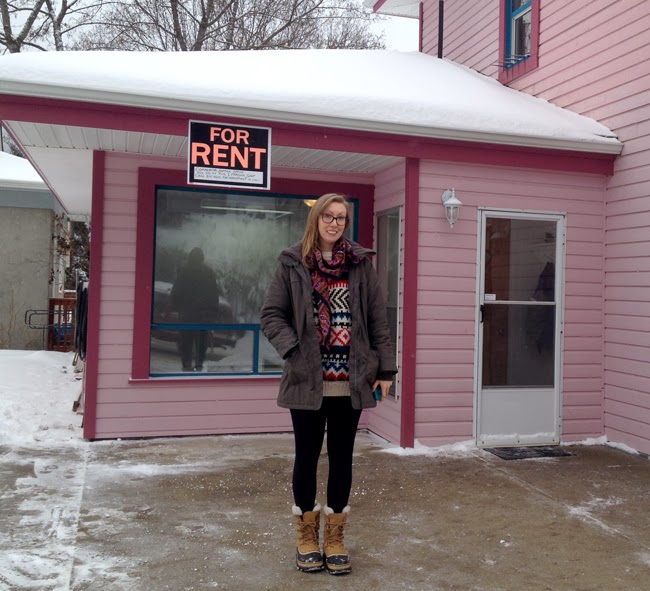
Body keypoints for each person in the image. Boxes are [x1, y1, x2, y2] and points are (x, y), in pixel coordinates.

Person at [261, 193, 397, 575]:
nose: (334, 223)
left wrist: (386, 371)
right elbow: (271, 315)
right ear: (316, 219)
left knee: (341, 459)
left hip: (349, 383)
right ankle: (306, 537)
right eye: (328, 216)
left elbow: (377, 320)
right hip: (307, 381)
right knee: (306, 458)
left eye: (341, 218)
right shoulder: (292, 262)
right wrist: (294, 351)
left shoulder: (360, 265)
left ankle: (335, 539)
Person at [170, 247, 222, 372]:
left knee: (185, 341)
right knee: (201, 342)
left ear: (190, 257)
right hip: (203, 315)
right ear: (202, 258)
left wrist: (176, 307)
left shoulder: (183, 272)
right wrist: (212, 313)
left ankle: (186, 364)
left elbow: (176, 293)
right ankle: (199, 364)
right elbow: (214, 296)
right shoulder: (209, 273)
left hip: (186, 314)